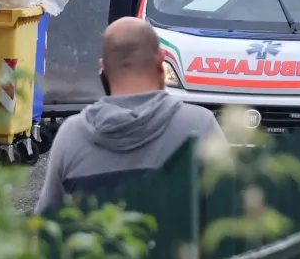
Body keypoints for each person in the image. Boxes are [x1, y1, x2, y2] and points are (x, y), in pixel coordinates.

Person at [33, 16, 226, 215]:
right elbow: (234, 219)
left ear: (104, 70)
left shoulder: (71, 137)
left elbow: (47, 227)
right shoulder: (201, 126)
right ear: (161, 62)